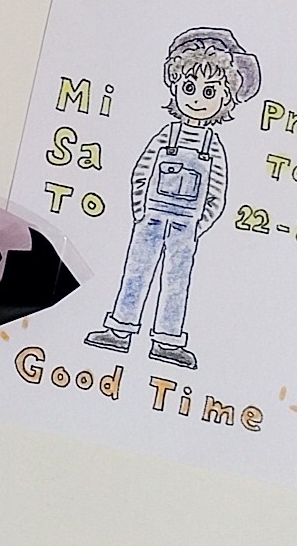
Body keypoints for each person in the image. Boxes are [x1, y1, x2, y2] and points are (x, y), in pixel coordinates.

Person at [84, 27, 260, 369]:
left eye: (209, 91)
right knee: (136, 273)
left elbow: (216, 193)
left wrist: (197, 226)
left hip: (186, 227)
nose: (197, 99)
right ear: (175, 85)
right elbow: (142, 172)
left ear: (225, 99)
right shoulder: (167, 135)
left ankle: (167, 340)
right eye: (189, 87)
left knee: (176, 282)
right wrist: (140, 211)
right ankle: (119, 330)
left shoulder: (213, 146)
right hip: (150, 220)